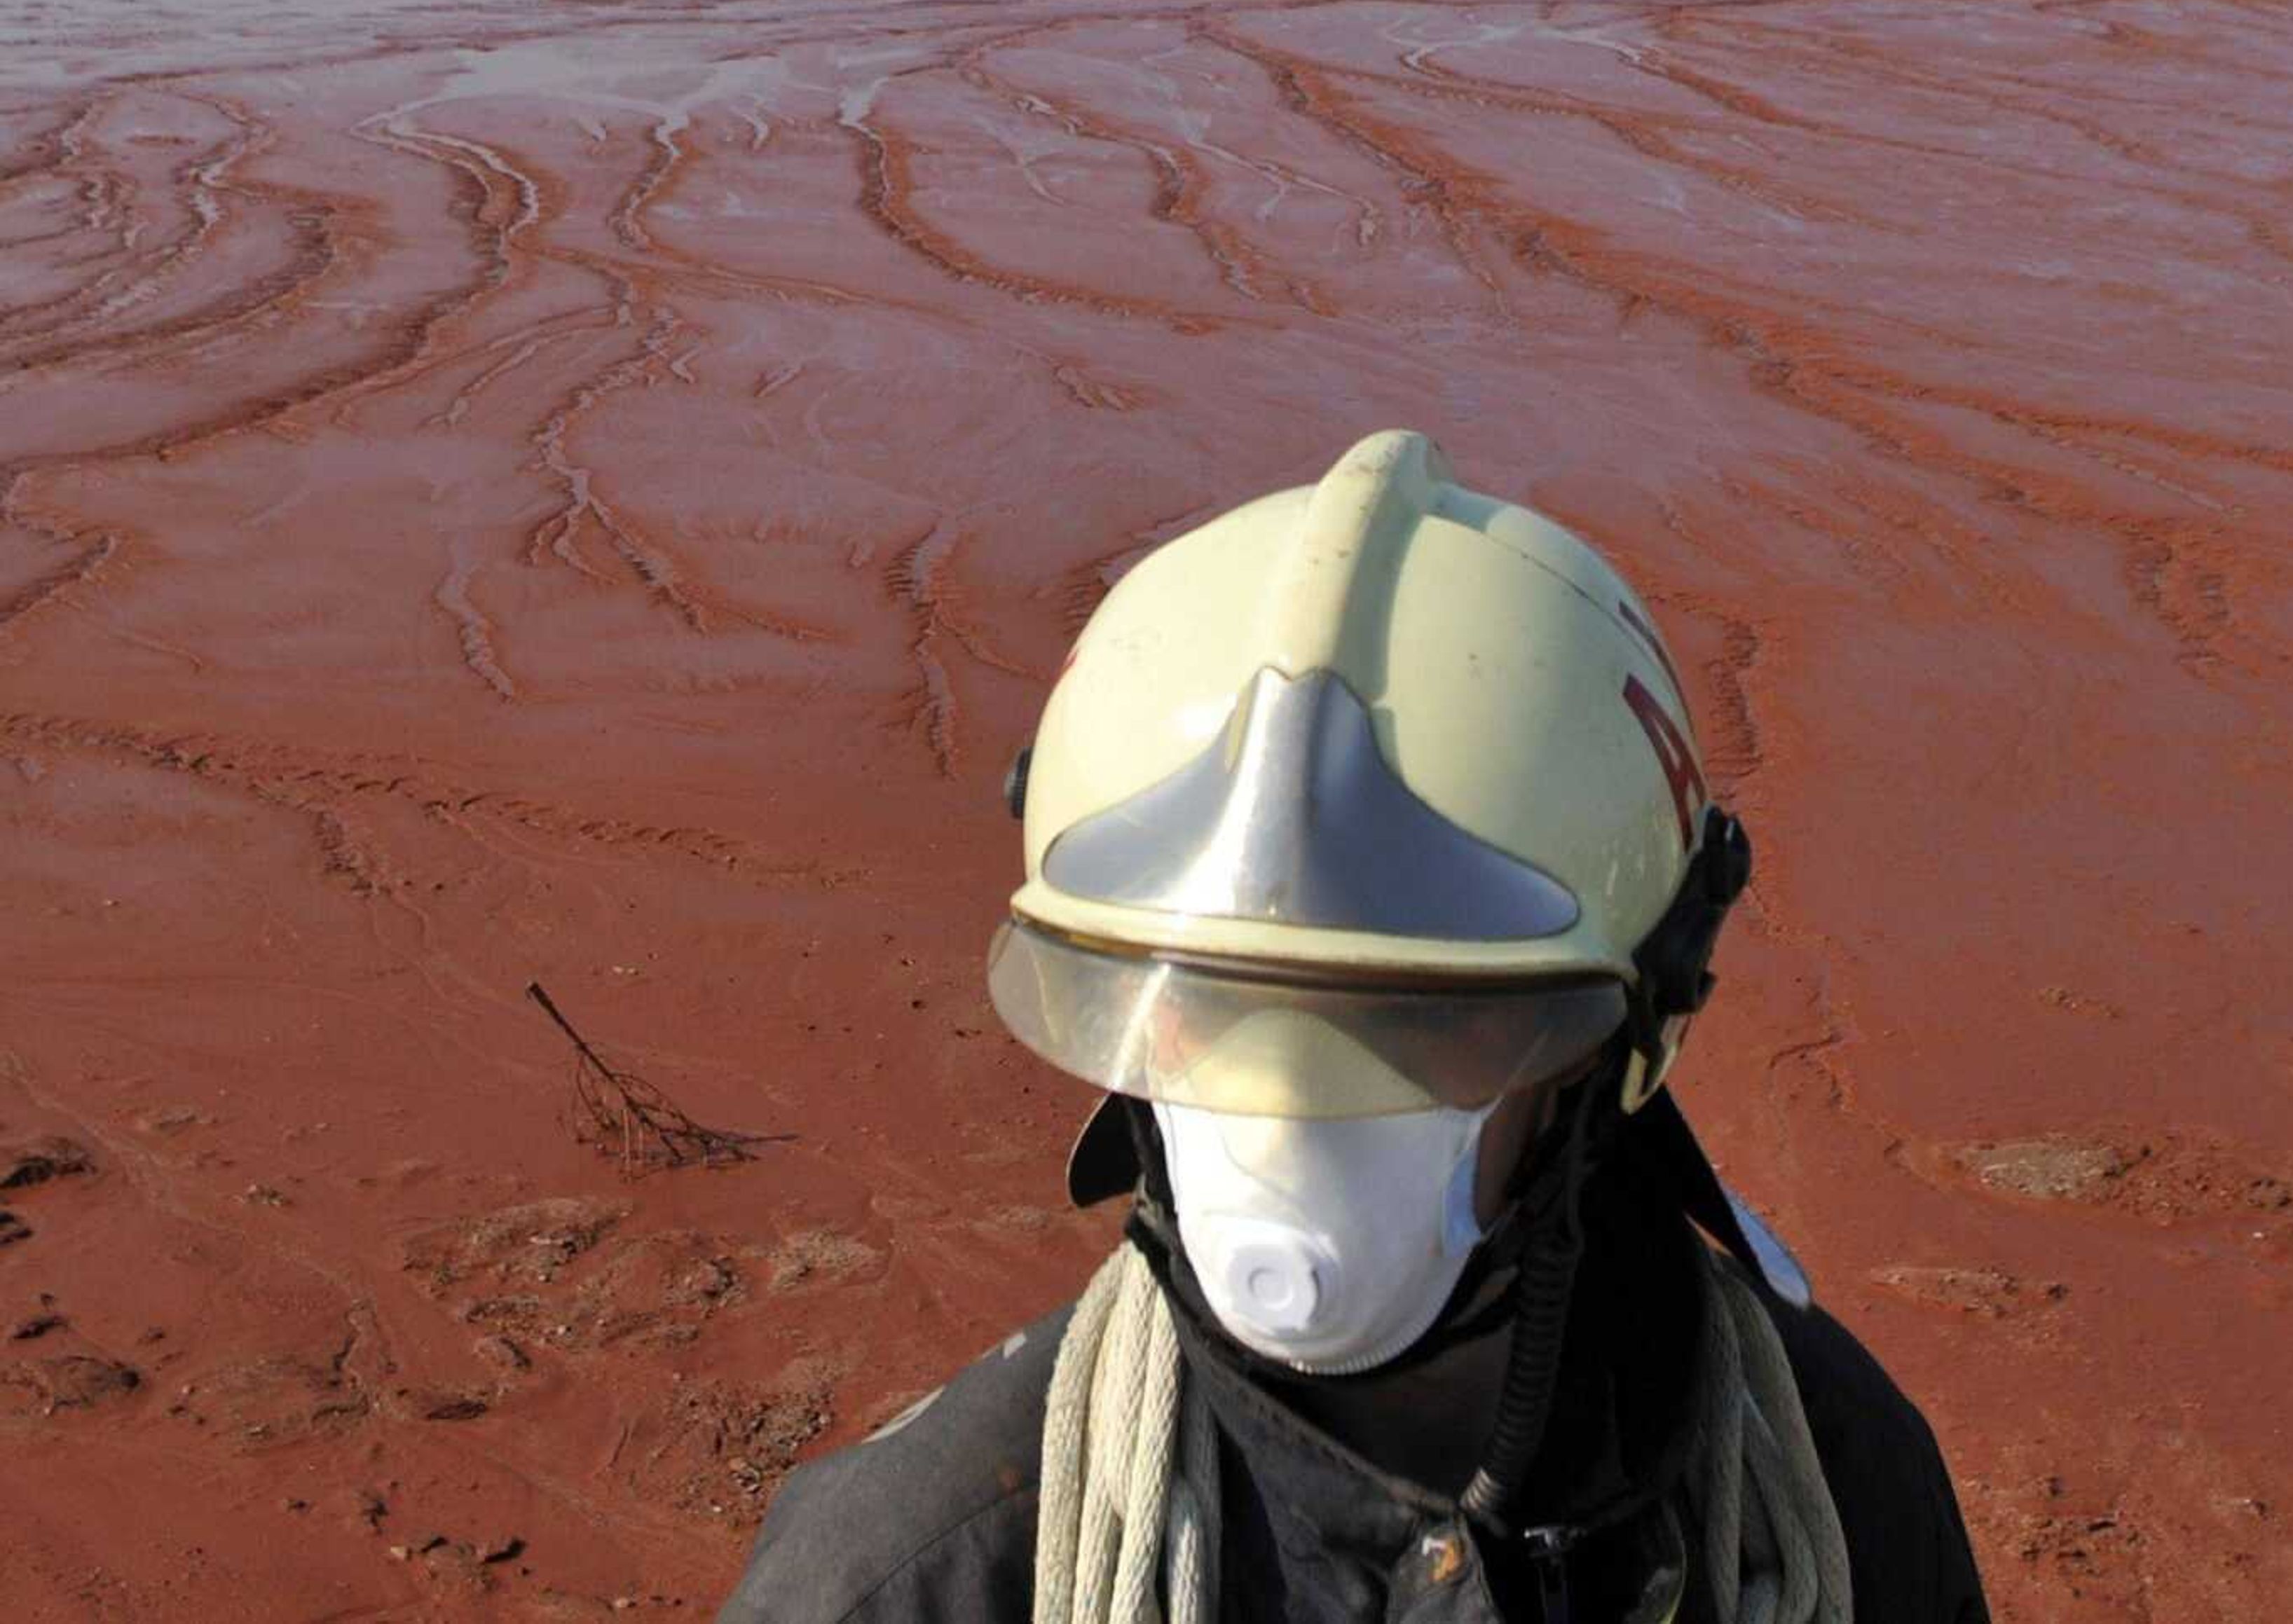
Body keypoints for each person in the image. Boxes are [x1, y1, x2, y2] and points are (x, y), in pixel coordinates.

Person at [720, 432, 1990, 1624]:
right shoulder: (912, 1577)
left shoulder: (1841, 1480)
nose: (1283, 1109)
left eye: (1413, 1018)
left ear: (1615, 1049)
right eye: (1204, 1007)